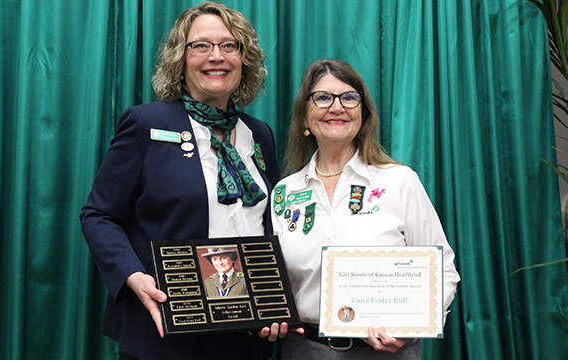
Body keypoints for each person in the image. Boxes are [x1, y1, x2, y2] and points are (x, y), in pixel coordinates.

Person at [80, 2, 287, 359]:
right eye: (201, 45)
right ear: (181, 57)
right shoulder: (146, 123)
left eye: (229, 45)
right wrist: (132, 276)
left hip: (244, 333)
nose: (216, 56)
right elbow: (99, 215)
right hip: (166, 329)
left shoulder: (259, 134)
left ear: (244, 58)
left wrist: (275, 298)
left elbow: (270, 225)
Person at [272, 59, 461, 359]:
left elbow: (443, 272)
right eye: (322, 97)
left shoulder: (399, 182)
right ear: (304, 118)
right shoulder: (283, 193)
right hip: (304, 350)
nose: (337, 107)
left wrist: (408, 328)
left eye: (349, 97)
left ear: (363, 114)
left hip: (386, 353)